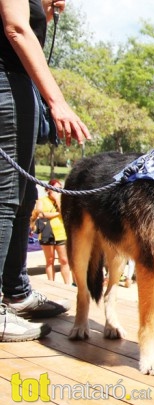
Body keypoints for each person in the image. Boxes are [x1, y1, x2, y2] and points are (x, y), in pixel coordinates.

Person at [0, 0, 91, 342]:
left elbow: (28, 24)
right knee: (6, 197)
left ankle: (17, 292)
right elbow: (16, 29)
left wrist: (45, 9)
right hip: (5, 83)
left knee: (22, 198)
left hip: (19, 85)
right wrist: (58, 101)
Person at [35, 179, 70, 284]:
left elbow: (64, 212)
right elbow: (40, 214)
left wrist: (57, 199)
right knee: (50, 260)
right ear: (49, 189)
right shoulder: (41, 200)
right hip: (46, 232)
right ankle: (51, 282)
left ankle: (67, 284)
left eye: (59, 189)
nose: (57, 191)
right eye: (55, 188)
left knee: (64, 260)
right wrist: (56, 214)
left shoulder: (62, 201)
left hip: (61, 233)